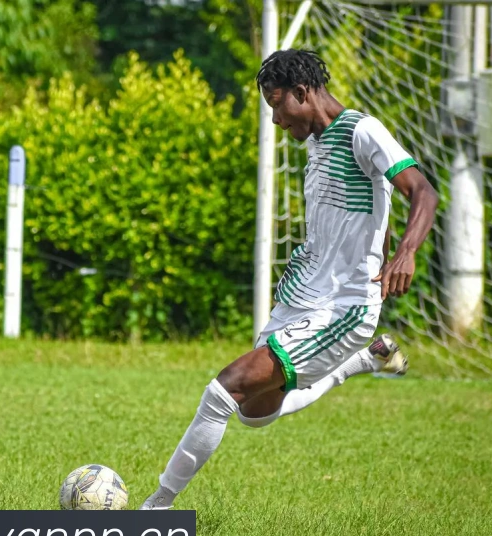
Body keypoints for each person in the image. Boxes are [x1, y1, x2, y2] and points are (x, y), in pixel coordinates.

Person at [140, 49, 439, 510]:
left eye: (278, 105)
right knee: (253, 411)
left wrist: (406, 252)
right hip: (300, 294)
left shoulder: (363, 130)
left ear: (303, 92)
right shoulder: (317, 144)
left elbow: (423, 190)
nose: (276, 119)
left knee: (226, 385)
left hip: (344, 307)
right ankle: (364, 361)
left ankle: (155, 510)